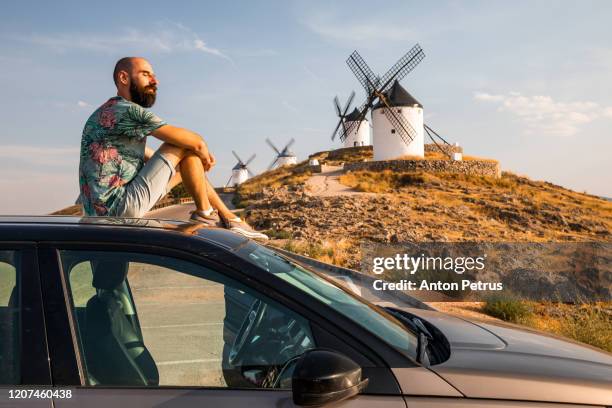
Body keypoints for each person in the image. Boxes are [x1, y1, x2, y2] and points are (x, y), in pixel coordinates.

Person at [78, 57, 268, 240]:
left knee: (187, 158)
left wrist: (188, 163)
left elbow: (151, 157)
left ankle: (226, 218)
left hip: (98, 214)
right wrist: (203, 154)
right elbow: (195, 142)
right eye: (146, 74)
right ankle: (210, 215)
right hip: (118, 208)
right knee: (181, 145)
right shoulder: (126, 110)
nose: (155, 80)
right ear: (124, 78)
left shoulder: (107, 115)